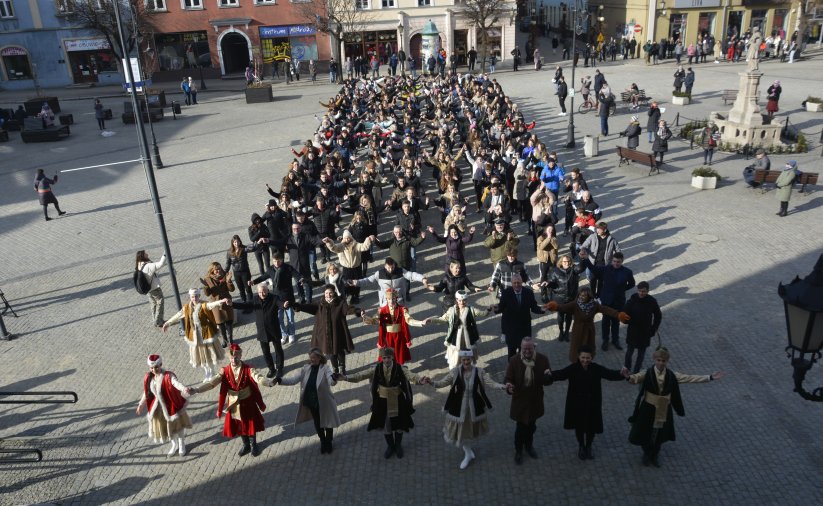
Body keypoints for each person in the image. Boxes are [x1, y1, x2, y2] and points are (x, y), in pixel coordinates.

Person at [627, 347, 725, 467]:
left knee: (659, 433)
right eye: (658, 360)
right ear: (654, 360)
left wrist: (709, 377)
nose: (661, 363)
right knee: (646, 431)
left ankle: (655, 455)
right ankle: (647, 453)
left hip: (663, 408)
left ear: (666, 362)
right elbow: (635, 378)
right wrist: (628, 377)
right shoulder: (647, 373)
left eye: (663, 361)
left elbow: (689, 378)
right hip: (648, 408)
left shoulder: (671, 375)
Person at [425, 350, 506, 469]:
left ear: (472, 359)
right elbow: (442, 383)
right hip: (458, 406)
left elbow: (491, 383)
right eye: (464, 360)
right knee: (461, 431)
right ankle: (468, 453)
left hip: (474, 406)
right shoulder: (455, 372)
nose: (466, 362)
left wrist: (503, 386)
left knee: (468, 431)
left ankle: (468, 454)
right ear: (461, 360)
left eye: (468, 359)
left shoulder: (479, 372)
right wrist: (431, 382)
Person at [193, 344, 275, 457]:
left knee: (250, 424)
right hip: (234, 404)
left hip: (247, 401)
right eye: (231, 357)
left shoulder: (248, 369)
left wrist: (269, 383)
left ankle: (253, 445)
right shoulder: (225, 371)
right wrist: (196, 389)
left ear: (240, 356)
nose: (234, 360)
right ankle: (246, 445)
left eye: (236, 357)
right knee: (239, 424)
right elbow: (212, 383)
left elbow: (258, 378)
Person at [342, 346, 424, 459]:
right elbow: (360, 375)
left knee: (399, 424)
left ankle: (398, 446)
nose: (386, 360)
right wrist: (346, 377)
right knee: (386, 425)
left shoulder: (400, 368)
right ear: (381, 358)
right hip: (382, 401)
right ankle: (390, 446)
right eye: (384, 358)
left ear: (392, 357)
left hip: (397, 399)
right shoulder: (376, 368)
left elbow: (411, 376)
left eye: (389, 357)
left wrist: (420, 379)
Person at [548, 345, 628, 460]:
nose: (585, 360)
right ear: (579, 357)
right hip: (577, 404)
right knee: (579, 427)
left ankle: (589, 446)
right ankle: (581, 446)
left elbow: (609, 374)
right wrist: (549, 374)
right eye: (583, 357)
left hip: (592, 404)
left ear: (592, 358)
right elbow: (561, 374)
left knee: (591, 427)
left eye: (588, 358)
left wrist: (621, 373)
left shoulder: (596, 368)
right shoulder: (573, 368)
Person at [279, 348, 342, 454]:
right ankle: (323, 441)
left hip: (324, 402)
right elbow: (294, 380)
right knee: (318, 423)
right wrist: (280, 380)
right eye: (310, 357)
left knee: (327, 422)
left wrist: (335, 379)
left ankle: (329, 441)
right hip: (311, 401)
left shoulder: (325, 368)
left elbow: (331, 381)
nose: (311, 359)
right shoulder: (306, 368)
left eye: (313, 357)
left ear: (319, 357)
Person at [545, 286, 629, 363]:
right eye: (580, 295)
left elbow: (605, 309)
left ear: (588, 296)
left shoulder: (594, 305)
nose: (581, 297)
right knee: (576, 348)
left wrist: (618, 314)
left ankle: (587, 362)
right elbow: (563, 307)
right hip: (578, 330)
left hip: (589, 330)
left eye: (584, 296)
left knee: (588, 348)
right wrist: (554, 306)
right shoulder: (575, 304)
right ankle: (576, 362)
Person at [162, 288, 230, 381]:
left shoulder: (203, 305)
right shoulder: (187, 307)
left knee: (208, 354)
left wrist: (222, 301)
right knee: (201, 356)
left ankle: (212, 372)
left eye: (196, 296)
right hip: (194, 336)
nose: (195, 298)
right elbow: (178, 315)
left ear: (199, 296)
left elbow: (212, 305)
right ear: (190, 297)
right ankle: (207, 373)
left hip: (205, 334)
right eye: (193, 297)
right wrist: (168, 323)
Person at [295, 284, 364, 375]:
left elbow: (348, 310)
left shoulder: (340, 302)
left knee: (339, 351)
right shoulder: (320, 303)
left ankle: (342, 368)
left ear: (334, 292)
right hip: (325, 333)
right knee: (331, 353)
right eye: (326, 293)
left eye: (330, 293)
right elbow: (308, 307)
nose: (328, 295)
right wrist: (298, 306)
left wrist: (357, 311)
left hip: (337, 332)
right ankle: (335, 369)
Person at [503, 337, 551, 464]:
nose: (527, 351)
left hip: (535, 401)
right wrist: (509, 386)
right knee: (520, 428)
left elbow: (547, 381)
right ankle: (519, 450)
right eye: (524, 349)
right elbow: (508, 378)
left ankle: (529, 446)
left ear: (534, 347)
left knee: (531, 426)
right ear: (521, 348)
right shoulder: (514, 361)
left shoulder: (542, 359)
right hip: (520, 402)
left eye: (529, 348)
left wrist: (548, 377)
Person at [136, 354, 194, 457]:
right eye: (151, 368)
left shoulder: (168, 376)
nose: (154, 370)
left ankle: (181, 444)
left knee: (178, 426)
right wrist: (141, 404)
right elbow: (146, 392)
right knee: (167, 428)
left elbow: (176, 384)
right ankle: (174, 444)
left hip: (171, 406)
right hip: (158, 409)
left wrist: (184, 389)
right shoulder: (149, 377)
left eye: (156, 367)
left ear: (161, 364)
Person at [231, 284, 287, 379]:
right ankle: (271, 369)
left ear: (268, 290)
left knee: (278, 350)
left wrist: (284, 305)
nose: (262, 294)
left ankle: (279, 368)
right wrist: (232, 304)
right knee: (266, 352)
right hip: (262, 331)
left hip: (274, 330)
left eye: (264, 291)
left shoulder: (274, 298)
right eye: (260, 292)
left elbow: (280, 304)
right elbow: (245, 305)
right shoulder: (256, 299)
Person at [425, 290, 491, 368]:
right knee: (456, 352)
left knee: (468, 352)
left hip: (468, 337)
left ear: (467, 300)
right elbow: (442, 319)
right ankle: (455, 367)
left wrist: (488, 309)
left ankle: (469, 368)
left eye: (464, 300)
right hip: (456, 336)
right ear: (456, 300)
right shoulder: (451, 310)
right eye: (460, 300)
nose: (462, 302)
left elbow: (483, 314)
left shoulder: (471, 309)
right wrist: (431, 320)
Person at [363, 287, 425, 366]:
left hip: (399, 337)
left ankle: (399, 370)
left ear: (396, 299)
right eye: (389, 299)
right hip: (387, 337)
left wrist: (420, 323)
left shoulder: (402, 309)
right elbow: (374, 320)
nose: (391, 301)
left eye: (393, 299)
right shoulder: (381, 310)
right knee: (388, 356)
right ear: (386, 299)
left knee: (398, 355)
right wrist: (365, 317)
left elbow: (409, 320)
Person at [252, 252, 305, 344]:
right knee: (279, 318)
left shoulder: (288, 268)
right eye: (274, 261)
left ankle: (291, 333)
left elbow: (297, 274)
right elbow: (263, 277)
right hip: (276, 299)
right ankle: (284, 334)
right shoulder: (270, 269)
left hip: (288, 297)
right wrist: (253, 281)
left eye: (278, 261)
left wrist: (301, 279)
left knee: (290, 318)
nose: (276, 263)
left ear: (282, 260)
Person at [492, 274, 546, 358]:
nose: (517, 285)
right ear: (511, 283)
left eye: (518, 283)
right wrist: (496, 309)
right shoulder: (506, 293)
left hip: (524, 329)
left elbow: (534, 307)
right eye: (514, 283)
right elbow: (501, 307)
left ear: (522, 282)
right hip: (511, 330)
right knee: (511, 354)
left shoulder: (528, 292)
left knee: (525, 354)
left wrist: (541, 310)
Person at [622, 281, 662, 373]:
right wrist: (625, 319)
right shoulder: (633, 299)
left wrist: (654, 329)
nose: (641, 293)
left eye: (643, 291)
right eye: (639, 291)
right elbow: (625, 311)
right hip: (633, 330)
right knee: (629, 352)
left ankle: (636, 371)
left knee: (641, 354)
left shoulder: (652, 301)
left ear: (648, 291)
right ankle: (627, 368)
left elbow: (658, 316)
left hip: (645, 331)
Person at [547, 255, 585, 341]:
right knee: (560, 317)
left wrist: (582, 259)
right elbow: (552, 283)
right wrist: (548, 284)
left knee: (569, 316)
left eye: (568, 261)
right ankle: (561, 331)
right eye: (564, 262)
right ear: (561, 262)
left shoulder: (574, 270)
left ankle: (567, 331)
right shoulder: (555, 271)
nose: (566, 263)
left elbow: (581, 268)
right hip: (559, 298)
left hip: (571, 298)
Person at [201, 262, 236, 348]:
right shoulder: (208, 279)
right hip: (216, 304)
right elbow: (207, 294)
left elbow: (232, 290)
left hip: (226, 302)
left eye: (219, 269)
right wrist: (206, 286)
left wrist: (228, 281)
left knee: (229, 321)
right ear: (212, 271)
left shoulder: (226, 275)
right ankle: (224, 340)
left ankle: (230, 339)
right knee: (220, 323)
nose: (218, 271)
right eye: (216, 270)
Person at [135, 250, 166, 328]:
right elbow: (160, 264)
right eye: (145, 254)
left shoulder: (139, 264)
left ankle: (155, 319)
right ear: (143, 256)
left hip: (147, 289)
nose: (147, 254)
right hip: (154, 288)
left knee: (153, 303)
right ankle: (158, 321)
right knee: (160, 302)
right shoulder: (148, 266)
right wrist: (164, 255)